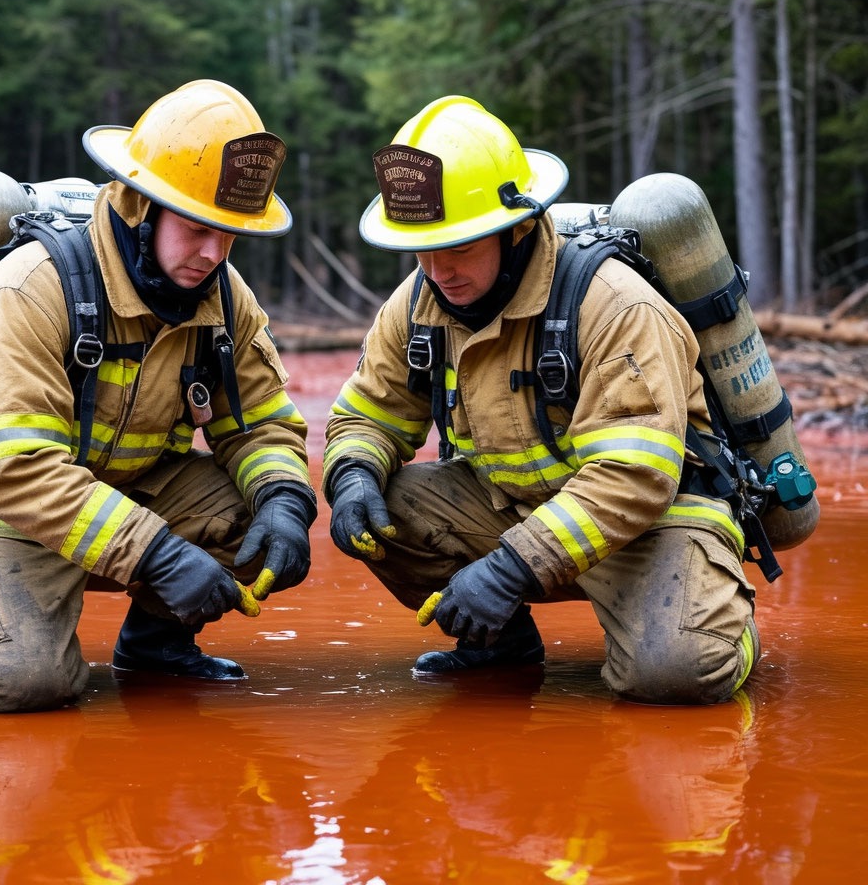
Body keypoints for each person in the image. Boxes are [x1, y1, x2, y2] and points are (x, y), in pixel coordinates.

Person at [323, 94, 759, 705]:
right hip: (519, 510)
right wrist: (353, 476)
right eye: (420, 248)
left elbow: (635, 476)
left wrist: (509, 570)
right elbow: (368, 412)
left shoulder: (614, 305)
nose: (436, 268)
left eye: (458, 245)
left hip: (653, 524)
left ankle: (723, 626)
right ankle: (497, 643)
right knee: (388, 502)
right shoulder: (420, 300)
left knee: (675, 674)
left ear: (518, 226)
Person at [0, 79, 318, 712]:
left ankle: (156, 643)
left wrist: (285, 499)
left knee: (253, 519)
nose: (214, 253)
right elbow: (15, 472)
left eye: (231, 233)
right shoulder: (24, 293)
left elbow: (261, 424)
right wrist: (155, 555)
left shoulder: (222, 296)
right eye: (197, 228)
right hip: (2, 516)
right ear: (140, 206)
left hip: (130, 494)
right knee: (19, 682)